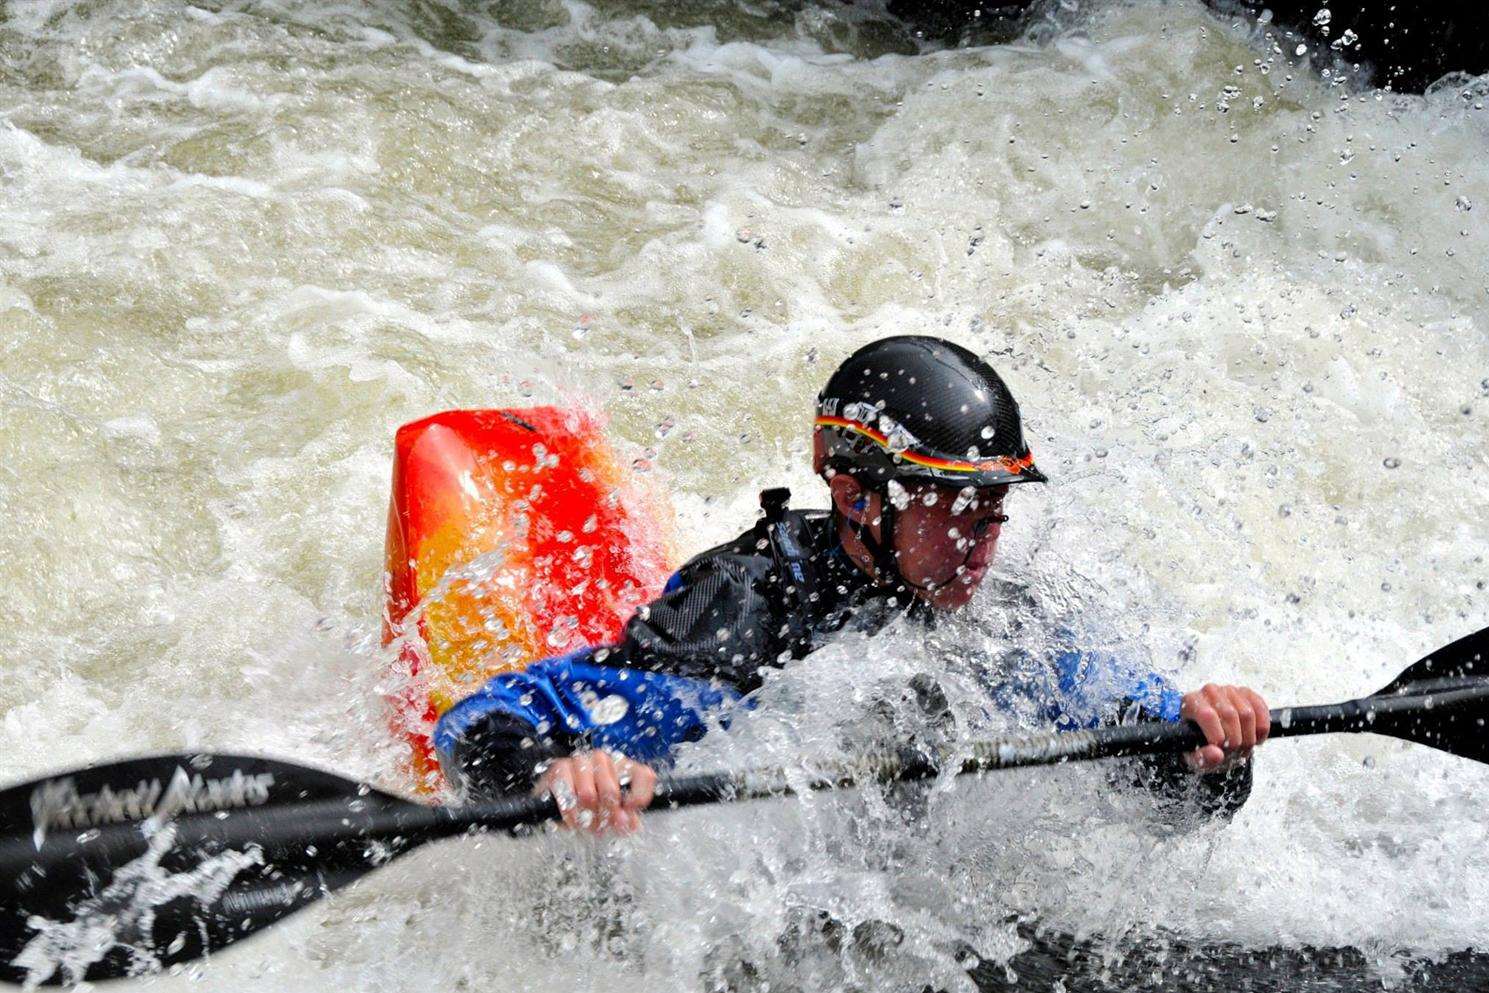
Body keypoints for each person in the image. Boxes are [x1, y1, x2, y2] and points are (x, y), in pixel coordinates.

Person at [435, 336, 1270, 834]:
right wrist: (560, 776)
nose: (985, 541)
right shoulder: (747, 611)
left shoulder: (1009, 616)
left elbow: (1139, 751)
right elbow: (481, 722)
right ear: (856, 493)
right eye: (956, 509)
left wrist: (1204, 749)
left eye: (995, 509)